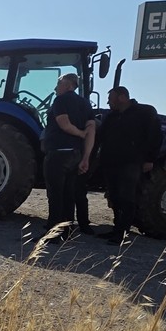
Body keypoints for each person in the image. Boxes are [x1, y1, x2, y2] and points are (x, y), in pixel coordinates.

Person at [95, 86, 162, 243]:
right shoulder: (112, 116)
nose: (108, 102)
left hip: (131, 162)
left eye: (111, 99)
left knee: (127, 197)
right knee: (115, 196)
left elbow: (155, 137)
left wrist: (150, 159)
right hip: (110, 162)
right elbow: (101, 137)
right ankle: (116, 229)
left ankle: (123, 234)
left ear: (122, 98)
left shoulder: (145, 113)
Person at [42, 73, 96, 239]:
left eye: (58, 84)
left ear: (67, 84)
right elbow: (91, 131)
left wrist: (79, 133)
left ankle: (52, 234)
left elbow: (64, 124)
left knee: (55, 194)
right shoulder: (85, 104)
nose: (55, 88)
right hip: (75, 155)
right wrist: (86, 157)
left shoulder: (61, 100)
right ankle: (66, 230)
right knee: (68, 194)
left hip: (59, 153)